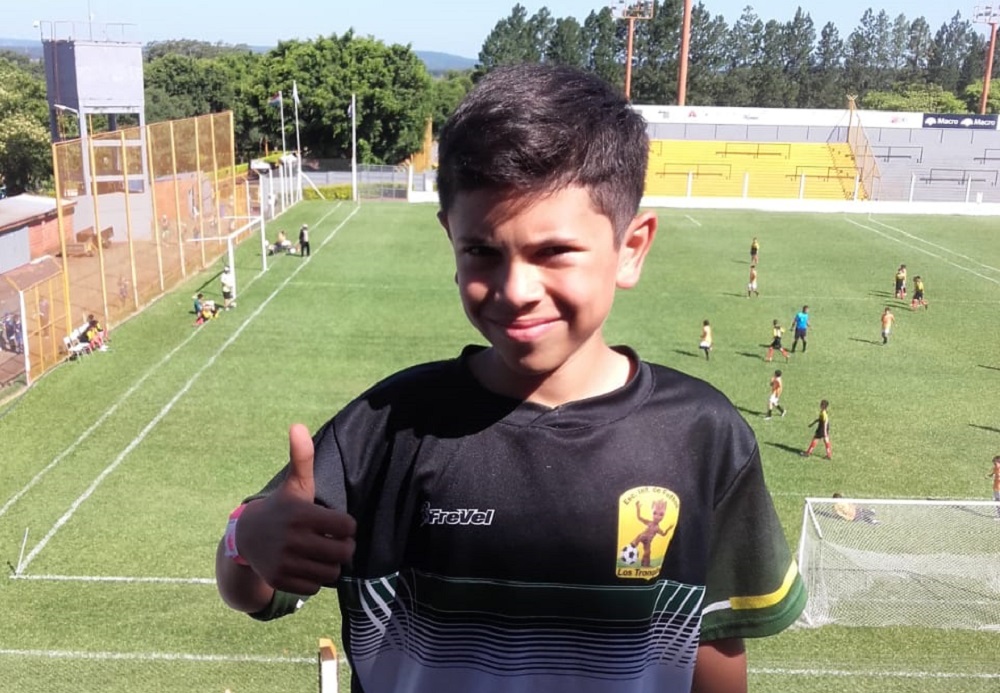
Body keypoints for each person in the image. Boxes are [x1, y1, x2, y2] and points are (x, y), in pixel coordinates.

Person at [214, 64, 805, 693]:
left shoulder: (703, 435)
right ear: (452, 239)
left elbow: (716, 642)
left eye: (554, 252)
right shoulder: (387, 427)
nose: (516, 290)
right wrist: (247, 538)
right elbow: (250, 589)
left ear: (631, 248)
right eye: (482, 252)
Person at [987, 456, 1000, 520]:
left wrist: (998, 476)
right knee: (996, 501)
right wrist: (990, 475)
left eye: (995, 463)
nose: (994, 464)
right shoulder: (995, 468)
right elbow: (994, 473)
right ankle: (999, 515)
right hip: (996, 487)